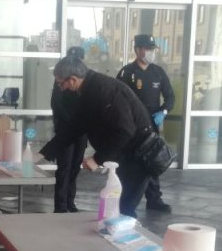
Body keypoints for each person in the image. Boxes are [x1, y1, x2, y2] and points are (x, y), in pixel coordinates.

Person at [40, 56, 154, 218]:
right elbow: (75, 127)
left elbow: (124, 131)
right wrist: (44, 153)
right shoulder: (87, 90)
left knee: (124, 210)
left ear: (72, 79)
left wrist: (97, 159)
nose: (61, 88)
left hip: (138, 156)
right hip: (126, 154)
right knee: (117, 209)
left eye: (61, 83)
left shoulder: (104, 90)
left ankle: (129, 241)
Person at [116, 34, 175, 212]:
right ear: (138, 50)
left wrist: (163, 111)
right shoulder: (127, 72)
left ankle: (154, 199)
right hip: (133, 127)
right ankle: (126, 202)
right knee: (131, 164)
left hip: (153, 124)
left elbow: (170, 96)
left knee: (153, 161)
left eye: (152, 49)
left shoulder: (158, 72)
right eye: (147, 49)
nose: (150, 52)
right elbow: (118, 99)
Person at [50, 45, 88, 212]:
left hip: (81, 131)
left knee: (75, 166)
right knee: (64, 168)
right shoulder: (61, 80)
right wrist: (70, 123)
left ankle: (70, 201)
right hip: (65, 130)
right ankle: (60, 205)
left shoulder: (85, 80)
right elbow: (56, 104)